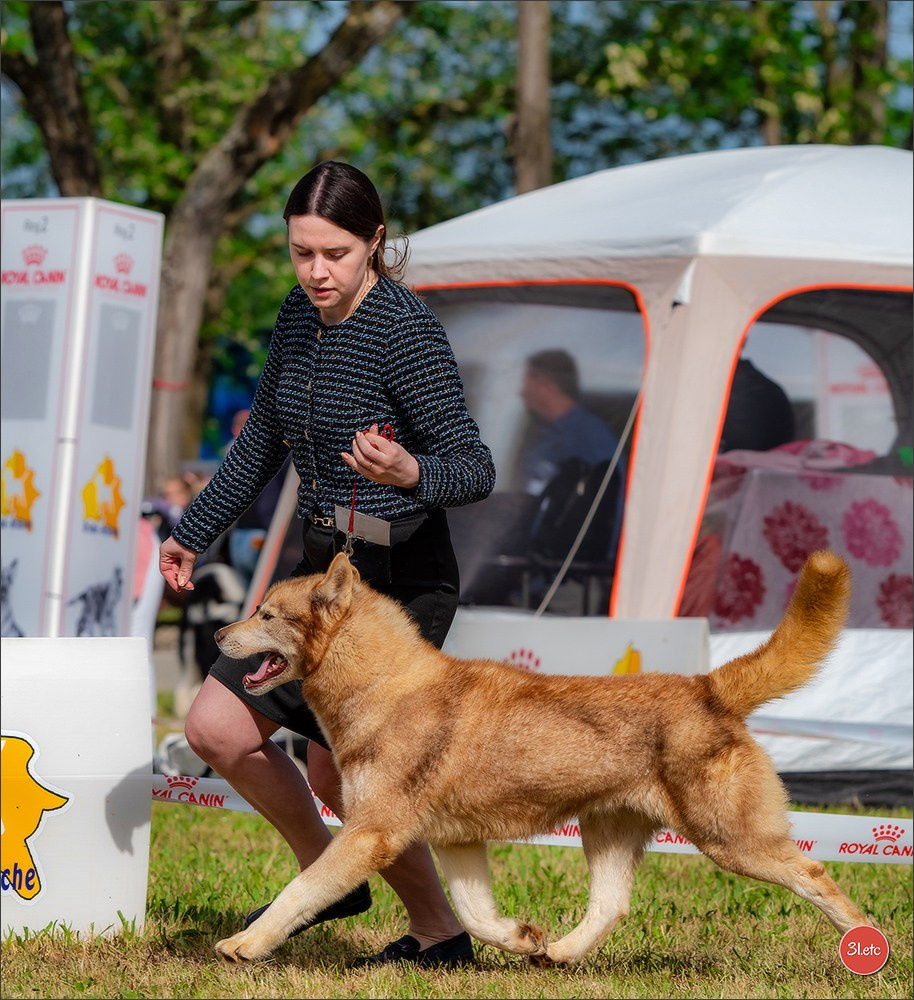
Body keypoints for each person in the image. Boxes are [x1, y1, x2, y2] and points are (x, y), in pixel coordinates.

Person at [158, 161, 495, 969]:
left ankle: (440, 935)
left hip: (400, 584)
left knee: (343, 777)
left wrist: (410, 471)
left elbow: (473, 468)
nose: (316, 271)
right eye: (301, 251)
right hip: (319, 576)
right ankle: (329, 879)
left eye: (335, 253)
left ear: (374, 241)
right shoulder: (296, 316)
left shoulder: (407, 331)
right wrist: (193, 530)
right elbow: (261, 442)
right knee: (215, 728)